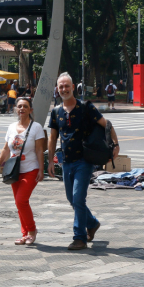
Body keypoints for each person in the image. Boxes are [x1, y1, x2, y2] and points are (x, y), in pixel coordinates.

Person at [48, 73, 119, 250]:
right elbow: (52, 137)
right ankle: (92, 223)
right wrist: (50, 161)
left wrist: (115, 145)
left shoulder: (86, 107)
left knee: (78, 198)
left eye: (67, 86)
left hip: (84, 160)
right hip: (66, 161)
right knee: (72, 199)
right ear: (57, 89)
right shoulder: (56, 112)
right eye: (61, 86)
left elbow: (106, 123)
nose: (64, 89)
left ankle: (79, 237)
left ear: (73, 87)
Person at [0, 97, 45, 245]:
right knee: (18, 202)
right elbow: (6, 149)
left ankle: (32, 230)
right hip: (14, 170)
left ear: (30, 110)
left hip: (31, 169)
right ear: (16, 109)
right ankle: (24, 233)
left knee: (21, 200)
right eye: (19, 106)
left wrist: (41, 169)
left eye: (25, 106)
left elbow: (40, 150)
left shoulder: (36, 127)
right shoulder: (11, 127)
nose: (22, 109)